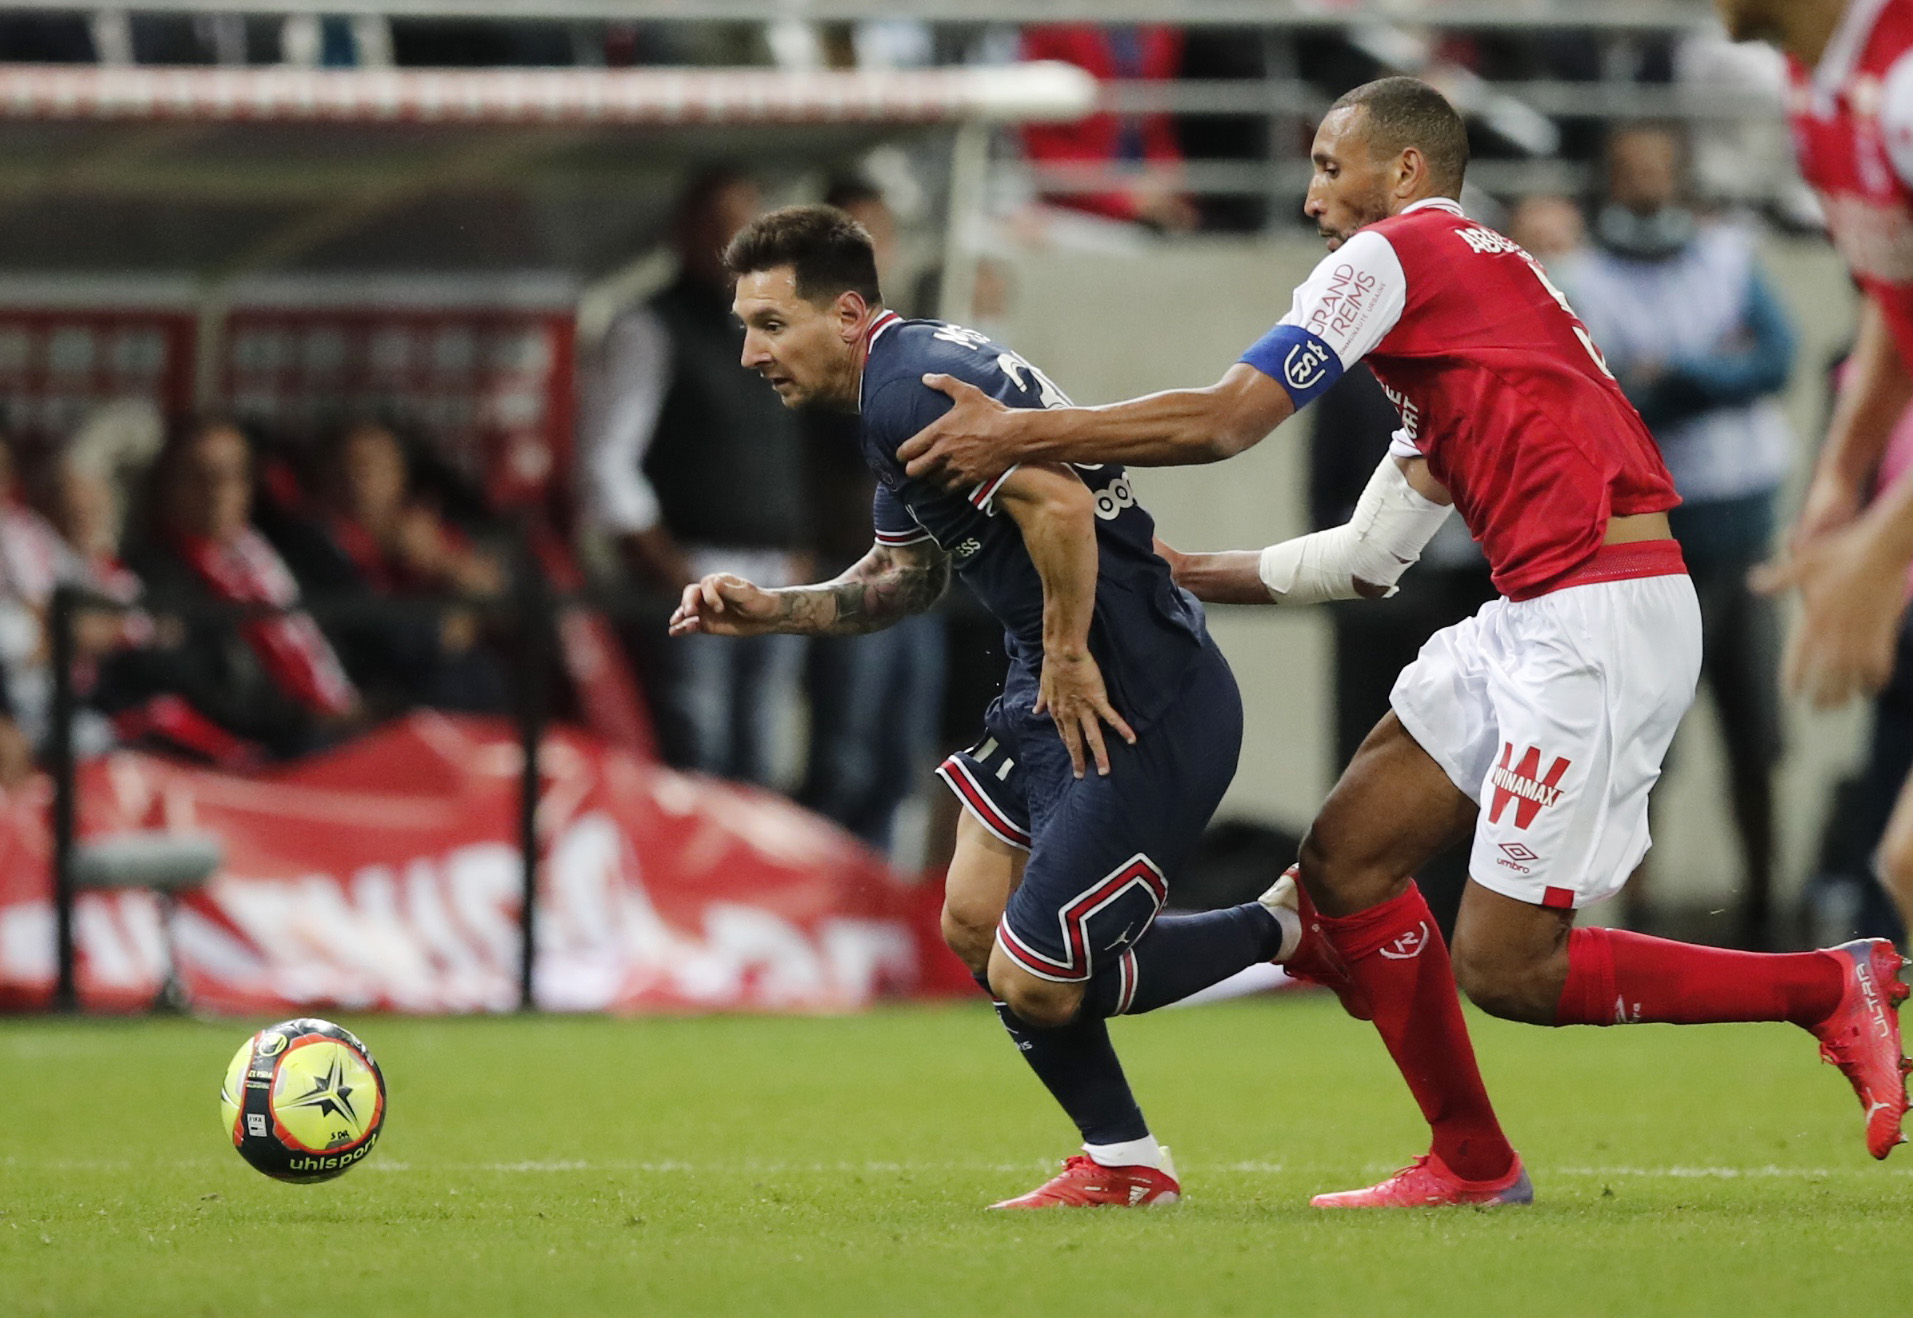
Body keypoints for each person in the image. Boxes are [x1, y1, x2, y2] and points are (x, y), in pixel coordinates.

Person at [898, 75, 1910, 1206]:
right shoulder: (1459, 318)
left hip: (1599, 612)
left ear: (1407, 173)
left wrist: (1019, 431)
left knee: (1508, 965)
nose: (1312, 199)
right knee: (1345, 863)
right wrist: (1183, 574)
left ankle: (1823, 984)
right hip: (1537, 609)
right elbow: (1366, 558)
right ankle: (1471, 1163)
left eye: (1331, 168)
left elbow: (1231, 416)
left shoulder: (1396, 255)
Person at [671, 203, 1357, 1209]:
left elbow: (1062, 506)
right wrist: (771, 608)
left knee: (1035, 976)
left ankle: (1286, 932)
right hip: (1052, 677)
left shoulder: (907, 390)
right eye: (744, 324)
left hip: (1129, 691)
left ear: (849, 311)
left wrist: (1072, 655)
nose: (748, 351)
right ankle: (1124, 1158)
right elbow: (905, 578)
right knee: (973, 922)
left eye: (771, 324)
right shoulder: (896, 382)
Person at [1570, 123, 1798, 947]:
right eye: (1629, 170)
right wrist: (1697, 373)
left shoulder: (1728, 258)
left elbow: (1775, 358)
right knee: (1644, 737)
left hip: (1739, 530)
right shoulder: (1582, 278)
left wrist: (1685, 374)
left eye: (1657, 168)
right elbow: (1604, 393)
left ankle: (1769, 913)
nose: (1645, 185)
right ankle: (1635, 921)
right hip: (1645, 537)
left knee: (1754, 733)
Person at [1721, 0, 1913, 950]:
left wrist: (1882, 550)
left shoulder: (1904, 88)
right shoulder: (1816, 91)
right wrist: (1841, 477)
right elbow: (1897, 291)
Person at [577, 168, 808, 785]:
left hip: (777, 578)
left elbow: (798, 447)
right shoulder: (649, 327)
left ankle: (754, 886)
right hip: (697, 570)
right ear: (686, 234)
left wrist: (800, 555)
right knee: (696, 760)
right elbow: (606, 460)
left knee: (763, 763)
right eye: (723, 226)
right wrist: (667, 565)